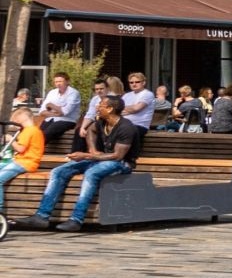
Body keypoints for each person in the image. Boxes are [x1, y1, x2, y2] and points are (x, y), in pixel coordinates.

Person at [25, 93, 145, 233]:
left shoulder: (126, 127)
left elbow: (118, 156)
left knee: (91, 173)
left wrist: (87, 156)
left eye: (101, 105)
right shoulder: (101, 122)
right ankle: (42, 216)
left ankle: (77, 219)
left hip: (122, 163)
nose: (97, 107)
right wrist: (93, 151)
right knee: (59, 171)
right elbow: (90, 131)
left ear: (110, 109)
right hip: (101, 159)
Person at [1, 103, 47, 199]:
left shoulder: (29, 130)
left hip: (24, 163)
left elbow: (20, 149)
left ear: (22, 118)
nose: (14, 123)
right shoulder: (32, 130)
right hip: (21, 161)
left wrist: (11, 139)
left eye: (15, 120)